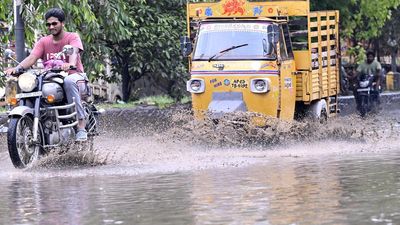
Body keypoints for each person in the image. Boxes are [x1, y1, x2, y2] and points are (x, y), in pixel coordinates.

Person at [4, 8, 88, 141]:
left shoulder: (72, 37)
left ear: (62, 23)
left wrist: (69, 64)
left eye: (54, 23)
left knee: (69, 81)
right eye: (48, 24)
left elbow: (74, 52)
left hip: (74, 75)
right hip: (50, 77)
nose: (51, 27)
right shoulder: (43, 41)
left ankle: (81, 126)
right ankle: (14, 116)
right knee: (14, 80)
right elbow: (32, 58)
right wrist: (17, 68)